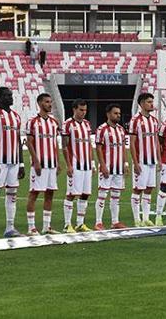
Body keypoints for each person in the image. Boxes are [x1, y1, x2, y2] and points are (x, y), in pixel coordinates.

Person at [0, 87, 25, 239]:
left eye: (11, 95)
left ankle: (10, 227)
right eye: (7, 95)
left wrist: (21, 164)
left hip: (14, 162)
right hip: (0, 162)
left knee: (12, 194)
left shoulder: (16, 117)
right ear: (0, 97)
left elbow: (19, 141)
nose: (11, 97)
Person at [24, 93, 60, 236]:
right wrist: (36, 161)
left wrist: (58, 162)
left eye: (50, 102)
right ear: (39, 103)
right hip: (39, 165)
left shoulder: (54, 122)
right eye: (47, 102)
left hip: (52, 164)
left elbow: (54, 143)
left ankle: (46, 226)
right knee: (34, 193)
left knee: (50, 193)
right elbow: (29, 143)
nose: (50, 104)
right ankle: (31, 227)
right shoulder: (32, 122)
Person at [61, 99, 95, 232]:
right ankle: (67, 224)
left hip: (86, 165)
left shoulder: (87, 124)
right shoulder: (67, 124)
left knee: (85, 194)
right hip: (75, 164)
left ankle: (80, 223)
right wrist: (68, 165)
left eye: (85, 110)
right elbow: (64, 146)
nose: (83, 112)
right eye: (81, 110)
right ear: (74, 109)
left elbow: (89, 145)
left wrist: (92, 163)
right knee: (71, 194)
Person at [93, 104, 129, 230]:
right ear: (108, 114)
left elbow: (123, 147)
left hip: (119, 168)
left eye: (119, 113)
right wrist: (102, 165)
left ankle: (115, 221)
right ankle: (98, 222)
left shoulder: (121, 129)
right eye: (115, 113)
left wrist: (125, 163)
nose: (118, 115)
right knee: (102, 194)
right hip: (107, 167)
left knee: (116, 196)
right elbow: (98, 148)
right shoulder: (102, 129)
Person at [129, 93, 160, 227]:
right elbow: (132, 142)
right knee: (137, 189)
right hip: (141, 161)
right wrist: (135, 162)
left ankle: (146, 218)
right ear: (141, 104)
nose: (151, 104)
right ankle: (137, 219)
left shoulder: (154, 120)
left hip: (152, 160)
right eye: (148, 102)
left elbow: (156, 141)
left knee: (149, 189)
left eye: (152, 101)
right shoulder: (135, 120)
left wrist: (159, 159)